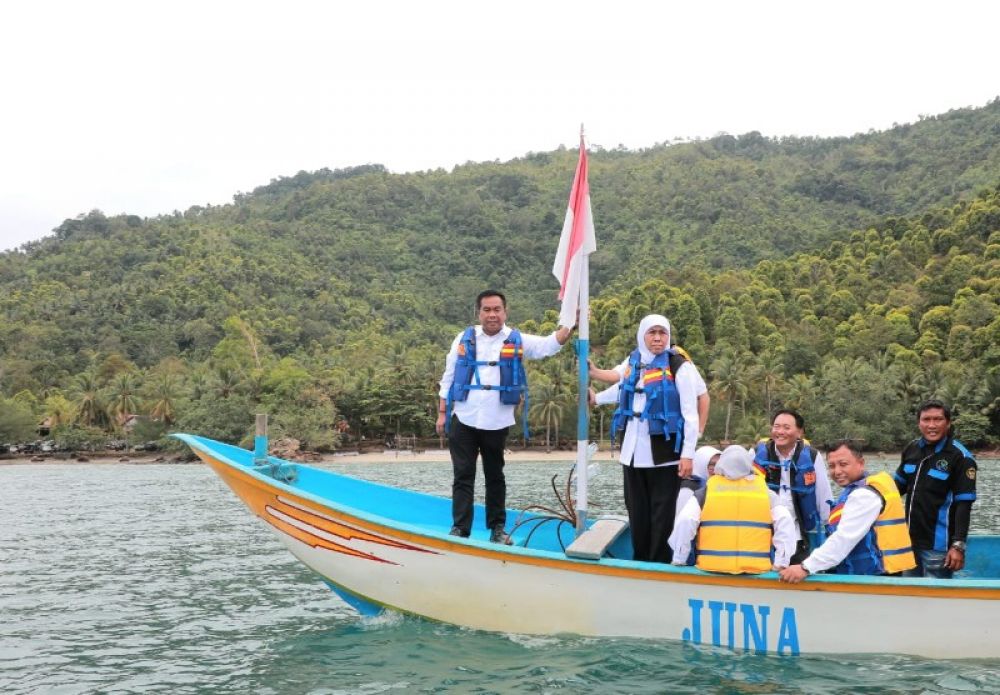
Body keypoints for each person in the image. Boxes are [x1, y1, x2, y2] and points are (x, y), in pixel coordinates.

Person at [436, 290, 572, 543]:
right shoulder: (463, 339)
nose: (492, 315)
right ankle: (460, 528)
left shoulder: (516, 339)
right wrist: (442, 413)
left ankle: (497, 529)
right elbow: (449, 376)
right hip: (464, 417)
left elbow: (549, 345)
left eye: (497, 309)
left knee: (495, 476)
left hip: (497, 421)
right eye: (487, 310)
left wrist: (572, 323)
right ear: (479, 313)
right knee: (463, 475)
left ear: (505, 312)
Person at [590, 314, 700, 562]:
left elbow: (690, 414)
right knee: (637, 511)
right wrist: (595, 391)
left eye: (662, 333)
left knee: (662, 514)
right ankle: (640, 559)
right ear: (642, 335)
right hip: (632, 454)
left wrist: (688, 454)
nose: (658, 338)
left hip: (665, 454)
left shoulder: (679, 365)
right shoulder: (634, 360)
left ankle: (659, 562)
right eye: (652, 333)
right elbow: (619, 382)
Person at [779, 440, 916, 583]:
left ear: (861, 463)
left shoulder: (864, 495)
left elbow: (844, 538)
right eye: (832, 466)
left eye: (843, 464)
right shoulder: (857, 489)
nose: (837, 471)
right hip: (871, 573)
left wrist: (805, 567)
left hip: (876, 577)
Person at [670, 445, 797, 573]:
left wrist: (679, 558)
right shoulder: (767, 493)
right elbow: (785, 521)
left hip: (712, 567)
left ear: (721, 465)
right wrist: (781, 563)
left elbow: (685, 521)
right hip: (755, 569)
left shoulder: (705, 492)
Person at [894, 400, 977, 578]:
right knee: (909, 591)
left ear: (948, 423)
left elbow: (964, 505)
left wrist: (958, 545)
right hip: (908, 543)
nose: (932, 425)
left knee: (935, 595)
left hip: (938, 547)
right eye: (926, 419)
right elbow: (895, 489)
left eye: (938, 419)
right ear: (919, 423)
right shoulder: (911, 449)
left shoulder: (961, 457)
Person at [753, 409, 833, 563]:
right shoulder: (756, 453)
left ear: (799, 432)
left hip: (798, 534)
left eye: (786, 427)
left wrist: (829, 527)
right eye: (776, 427)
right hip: (762, 533)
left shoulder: (812, 456)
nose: (780, 432)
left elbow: (823, 494)